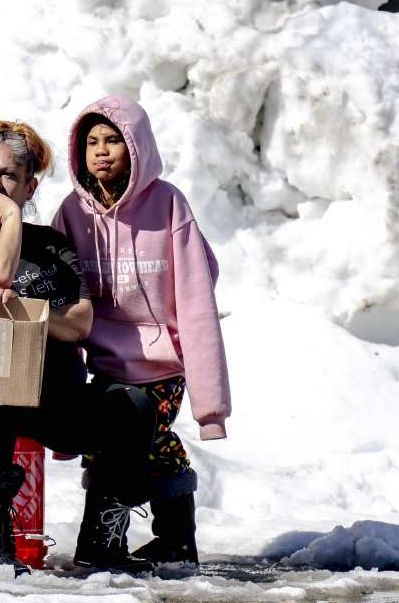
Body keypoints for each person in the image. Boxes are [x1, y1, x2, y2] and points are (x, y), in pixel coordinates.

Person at [0, 119, 158, 575]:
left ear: (30, 186)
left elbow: (80, 321)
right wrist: (9, 220)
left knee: (133, 407)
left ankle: (102, 540)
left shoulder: (51, 245)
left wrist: (21, 313)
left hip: (47, 397)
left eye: (8, 176)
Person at [52, 94, 232, 570]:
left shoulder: (168, 204)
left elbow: (197, 302)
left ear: (136, 147)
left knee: (126, 433)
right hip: (106, 365)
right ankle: (176, 543)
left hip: (163, 366)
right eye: (91, 142)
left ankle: (99, 544)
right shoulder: (73, 212)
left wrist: (210, 409)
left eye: (113, 140)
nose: (102, 151)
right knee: (145, 444)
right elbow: (58, 295)